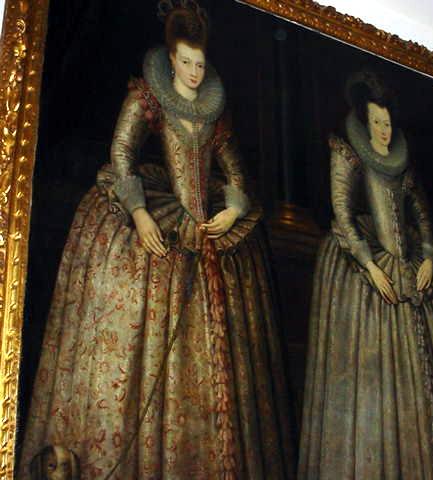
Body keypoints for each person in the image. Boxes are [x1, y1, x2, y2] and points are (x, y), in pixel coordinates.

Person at [19, 2, 294, 478]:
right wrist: (140, 213)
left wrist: (232, 210)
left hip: (207, 225)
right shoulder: (148, 97)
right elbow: (122, 153)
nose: (194, 72)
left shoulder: (214, 111)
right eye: (186, 62)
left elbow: (235, 173)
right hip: (159, 217)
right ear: (171, 60)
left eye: (200, 64)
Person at [298, 71, 433, 479]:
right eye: (376, 123)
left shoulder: (402, 161)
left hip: (411, 266)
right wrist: (369, 266)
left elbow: (422, 216)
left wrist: (430, 256)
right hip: (365, 268)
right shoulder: (348, 153)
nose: (383, 130)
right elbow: (343, 214)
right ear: (365, 123)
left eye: (387, 123)